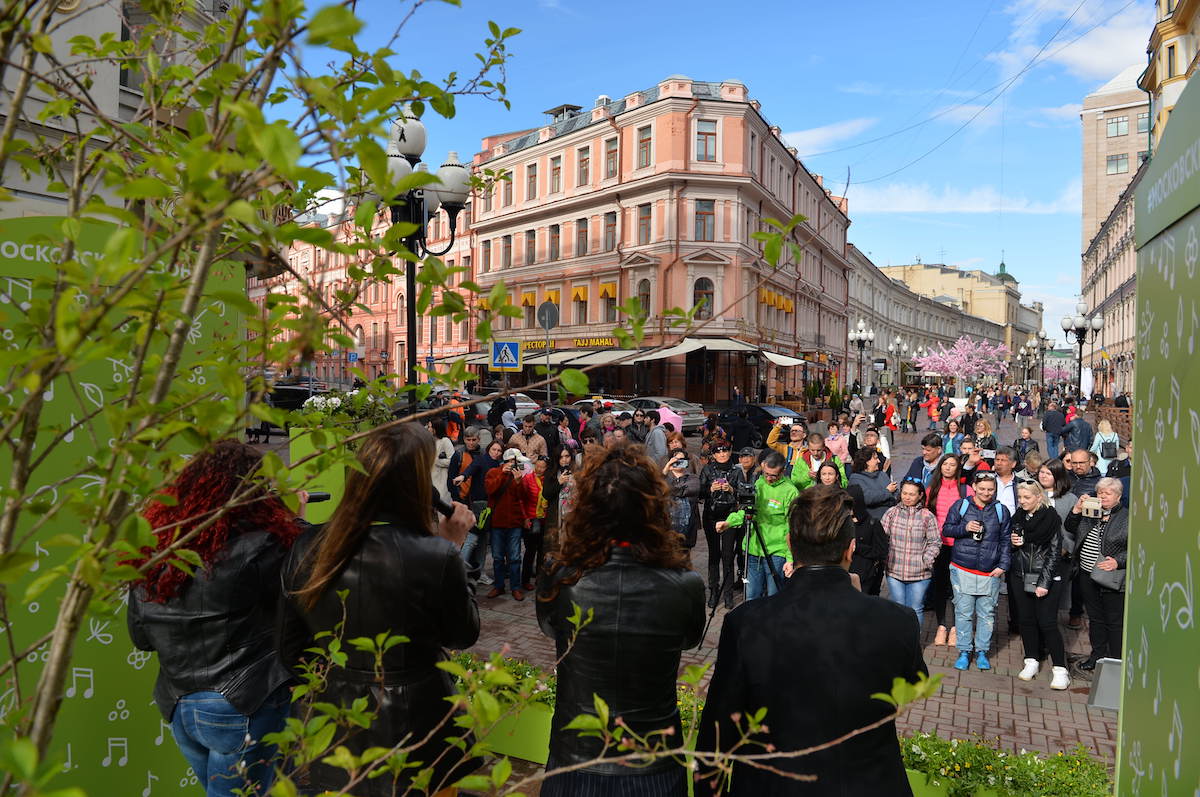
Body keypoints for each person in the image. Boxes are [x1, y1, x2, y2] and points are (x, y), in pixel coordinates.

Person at [279, 424, 480, 796]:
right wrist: (452, 548)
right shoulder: (434, 555)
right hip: (421, 726)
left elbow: (291, 650)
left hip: (340, 726)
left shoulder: (309, 545)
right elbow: (462, 633)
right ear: (419, 486)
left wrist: (342, 679)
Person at [697, 486, 926, 796]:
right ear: (851, 549)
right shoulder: (897, 620)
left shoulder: (747, 621)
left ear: (791, 544)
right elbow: (914, 685)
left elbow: (718, 730)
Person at [126, 441, 299, 797]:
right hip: (243, 702)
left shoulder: (155, 553)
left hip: (179, 704)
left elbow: (141, 637)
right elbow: (306, 591)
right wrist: (293, 519)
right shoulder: (263, 545)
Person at [536, 444, 704, 796]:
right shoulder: (684, 585)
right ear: (653, 509)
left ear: (587, 509)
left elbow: (550, 627)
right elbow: (688, 639)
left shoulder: (561, 577)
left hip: (576, 757)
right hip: (651, 762)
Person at [942, 471, 1011, 671]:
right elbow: (947, 529)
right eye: (982, 489)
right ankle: (964, 650)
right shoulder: (961, 506)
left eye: (991, 489)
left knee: (987, 614)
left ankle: (982, 651)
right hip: (962, 567)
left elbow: (1006, 540)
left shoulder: (1001, 511)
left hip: (989, 571)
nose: (986, 493)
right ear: (974, 487)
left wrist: (1003, 566)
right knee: (963, 613)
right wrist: (965, 528)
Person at [1009, 482, 1071, 690]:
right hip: (1020, 575)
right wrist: (1013, 543)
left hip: (1045, 577)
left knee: (1047, 623)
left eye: (1027, 498)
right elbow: (1011, 545)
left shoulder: (1051, 520)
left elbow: (1054, 554)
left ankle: (1061, 669)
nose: (1022, 501)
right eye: (1020, 497)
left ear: (1038, 497)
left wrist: (1044, 583)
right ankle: (1031, 660)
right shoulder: (1018, 517)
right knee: (1026, 620)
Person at [716, 451, 797, 601]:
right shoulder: (759, 483)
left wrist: (790, 558)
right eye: (766, 473)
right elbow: (747, 510)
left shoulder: (790, 491)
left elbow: (792, 527)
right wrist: (728, 523)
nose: (768, 478)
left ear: (783, 471)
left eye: (773, 475)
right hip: (753, 550)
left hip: (776, 552)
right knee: (751, 597)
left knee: (774, 598)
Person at [1065, 478, 1128, 671]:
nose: (1102, 496)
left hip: (1110, 576)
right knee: (1095, 618)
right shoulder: (1091, 512)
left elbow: (1136, 546)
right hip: (1087, 573)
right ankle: (1097, 656)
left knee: (1114, 621)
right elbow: (1070, 527)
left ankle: (1114, 661)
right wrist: (1076, 509)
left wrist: (1119, 561)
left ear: (1118, 496)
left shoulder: (1127, 517)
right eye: (1100, 492)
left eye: (1107, 493)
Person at [881, 478, 941, 620]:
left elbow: (935, 542)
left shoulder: (927, 516)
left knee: (915, 608)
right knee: (898, 607)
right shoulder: (891, 513)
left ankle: (914, 642)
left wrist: (926, 560)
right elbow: (881, 539)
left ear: (920, 495)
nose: (907, 497)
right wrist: (885, 558)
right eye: (904, 493)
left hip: (920, 573)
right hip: (894, 571)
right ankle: (899, 641)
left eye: (912, 494)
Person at [926, 454, 970, 647]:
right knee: (940, 586)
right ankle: (942, 625)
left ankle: (955, 628)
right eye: (945, 464)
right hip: (938, 545)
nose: (948, 468)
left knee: (958, 588)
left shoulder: (965, 490)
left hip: (959, 544)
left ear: (957, 468)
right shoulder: (932, 489)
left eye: (953, 465)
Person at [700, 442, 747, 609]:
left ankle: (727, 594)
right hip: (711, 515)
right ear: (713, 454)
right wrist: (710, 489)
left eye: (725, 451)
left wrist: (731, 490)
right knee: (714, 554)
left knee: (728, 555)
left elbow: (743, 494)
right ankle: (713, 590)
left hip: (730, 516)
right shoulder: (707, 470)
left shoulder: (736, 471)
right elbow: (700, 492)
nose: (722, 454)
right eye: (718, 452)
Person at [484, 448, 532, 600]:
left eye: (516, 462)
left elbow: (524, 496)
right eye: (513, 462)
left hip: (514, 523)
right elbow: (490, 490)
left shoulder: (518, 474)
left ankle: (515, 587)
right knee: (497, 557)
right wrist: (502, 474)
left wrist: (518, 481)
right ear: (507, 461)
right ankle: (499, 586)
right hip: (497, 522)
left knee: (515, 557)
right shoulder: (493, 472)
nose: (515, 465)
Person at [454, 438, 503, 583]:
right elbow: (470, 469)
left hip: (491, 506)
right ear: (489, 448)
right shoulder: (481, 460)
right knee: (472, 538)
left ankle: (479, 572)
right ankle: (457, 571)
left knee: (482, 540)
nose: (496, 452)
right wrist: (463, 476)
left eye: (499, 450)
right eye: (494, 449)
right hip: (478, 505)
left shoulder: (500, 464)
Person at [846, 468, 890, 596]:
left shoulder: (872, 523)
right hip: (846, 577)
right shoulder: (842, 523)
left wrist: (857, 547)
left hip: (867, 578)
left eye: (850, 505)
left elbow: (881, 552)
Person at [521, 456, 550, 592]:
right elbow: (522, 500)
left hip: (545, 519)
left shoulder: (549, 480)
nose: (539, 469)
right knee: (530, 551)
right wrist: (525, 518)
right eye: (537, 466)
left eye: (542, 467)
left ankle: (539, 576)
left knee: (542, 550)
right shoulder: (528, 479)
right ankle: (525, 580)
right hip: (532, 519)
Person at [847, 446, 897, 522]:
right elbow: (867, 498)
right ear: (867, 461)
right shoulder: (855, 479)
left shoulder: (882, 475)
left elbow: (895, 493)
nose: (879, 461)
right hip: (872, 520)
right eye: (875, 458)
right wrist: (887, 491)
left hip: (892, 516)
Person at [665, 452, 701, 548]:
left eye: (682, 460)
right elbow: (655, 488)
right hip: (667, 529)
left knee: (684, 558)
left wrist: (667, 487)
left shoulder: (693, 478)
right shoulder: (664, 477)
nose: (679, 462)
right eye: (676, 460)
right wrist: (666, 469)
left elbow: (681, 491)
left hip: (687, 529)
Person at [428, 418, 454, 504]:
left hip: (442, 479)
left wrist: (437, 462)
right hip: (431, 478)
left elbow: (452, 460)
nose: (428, 429)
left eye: (430, 427)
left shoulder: (445, 441)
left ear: (435, 429)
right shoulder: (429, 442)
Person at [992, 446, 1020, 516]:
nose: (999, 463)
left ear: (1013, 464)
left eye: (1003, 460)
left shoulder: (1020, 483)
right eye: (997, 459)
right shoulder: (988, 480)